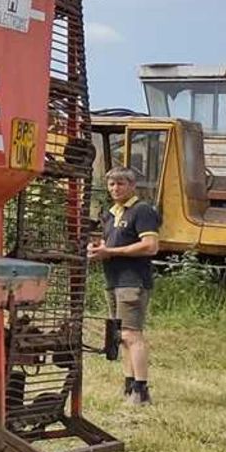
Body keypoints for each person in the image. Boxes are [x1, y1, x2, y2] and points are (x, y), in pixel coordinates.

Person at [89, 166, 162, 405]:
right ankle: (129, 385)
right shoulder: (111, 213)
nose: (115, 188)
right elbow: (111, 242)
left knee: (132, 334)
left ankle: (141, 390)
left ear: (132, 186)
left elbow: (150, 246)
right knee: (120, 336)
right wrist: (99, 248)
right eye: (111, 184)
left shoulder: (142, 211)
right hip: (114, 280)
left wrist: (110, 251)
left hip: (132, 280)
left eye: (120, 184)